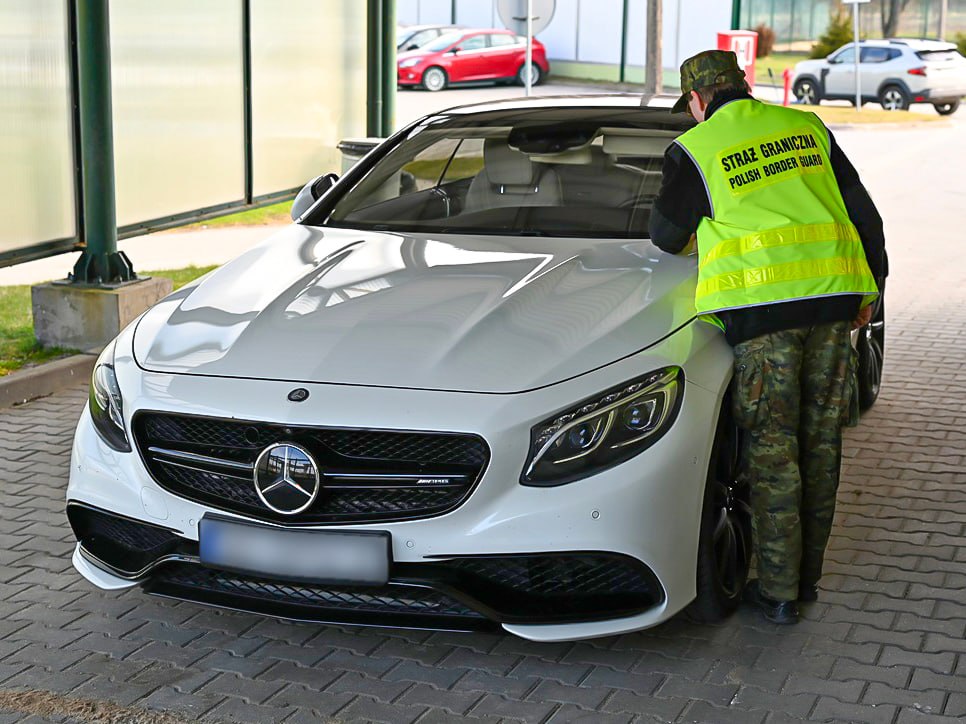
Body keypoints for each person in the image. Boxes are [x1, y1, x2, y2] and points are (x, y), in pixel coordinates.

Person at [649, 50, 887, 625]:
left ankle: (779, 593)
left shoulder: (697, 149)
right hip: (833, 303)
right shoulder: (806, 127)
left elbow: (666, 236)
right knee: (821, 444)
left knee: (774, 451)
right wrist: (871, 291)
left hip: (763, 317)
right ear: (743, 84)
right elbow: (865, 215)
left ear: (697, 100)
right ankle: (805, 581)